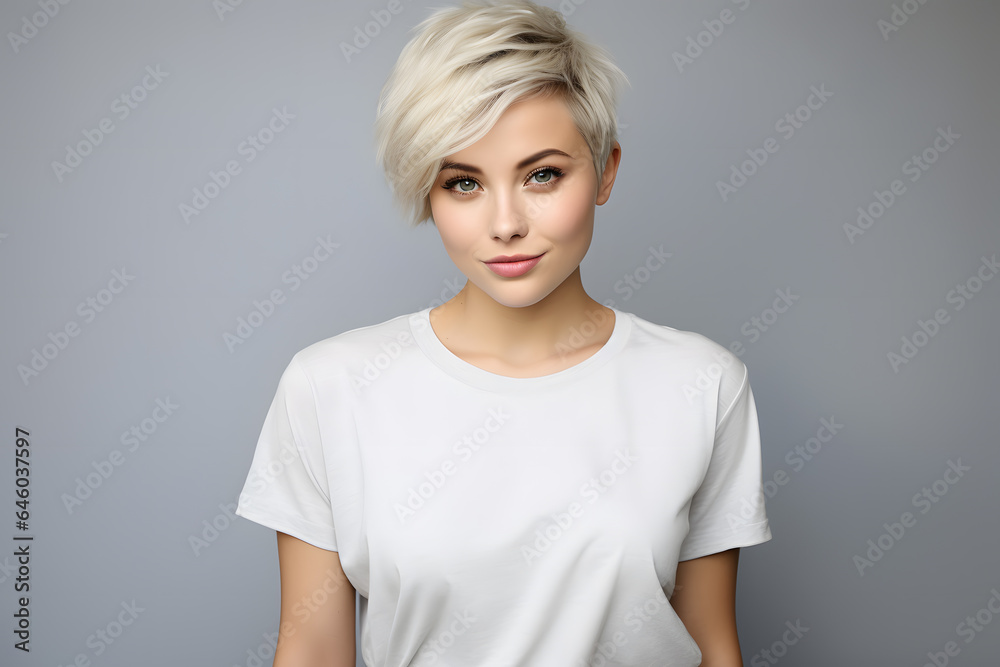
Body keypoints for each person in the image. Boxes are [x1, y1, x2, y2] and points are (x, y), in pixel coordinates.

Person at [235, 1, 772, 665]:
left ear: (605, 171)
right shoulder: (329, 388)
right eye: (463, 183)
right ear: (427, 193)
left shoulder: (701, 383)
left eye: (542, 173)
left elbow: (714, 643)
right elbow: (312, 649)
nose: (507, 222)